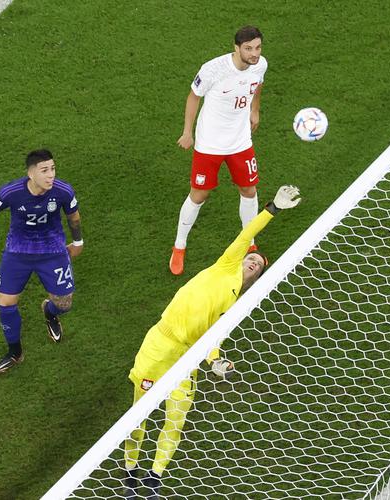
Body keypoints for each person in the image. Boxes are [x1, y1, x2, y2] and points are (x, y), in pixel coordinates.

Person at [124, 185, 301, 499]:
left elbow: (213, 338)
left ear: (259, 276)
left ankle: (153, 478)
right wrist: (272, 208)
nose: (253, 262)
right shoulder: (226, 267)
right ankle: (130, 470)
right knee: (139, 415)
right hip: (159, 346)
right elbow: (244, 237)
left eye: (258, 265)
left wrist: (215, 361)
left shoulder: (236, 306)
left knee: (175, 421)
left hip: (185, 360)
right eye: (253, 259)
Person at [0, 149, 83, 375]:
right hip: (18, 253)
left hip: (52, 251)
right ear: (31, 174)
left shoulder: (63, 191)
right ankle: (15, 352)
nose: (51, 175)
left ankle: (49, 312)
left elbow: (73, 216)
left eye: (53, 169)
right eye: (44, 170)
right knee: (6, 304)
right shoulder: (11, 192)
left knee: (64, 305)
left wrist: (78, 241)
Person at [170, 25, 268, 276]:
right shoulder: (213, 69)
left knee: (249, 189)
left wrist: (255, 110)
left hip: (240, 141)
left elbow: (257, 85)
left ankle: (249, 242)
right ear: (236, 48)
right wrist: (187, 132)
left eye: (257, 47)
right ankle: (179, 246)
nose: (254, 53)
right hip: (210, 144)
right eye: (248, 48)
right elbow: (194, 96)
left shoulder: (260, 64)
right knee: (199, 194)